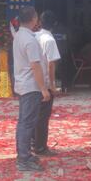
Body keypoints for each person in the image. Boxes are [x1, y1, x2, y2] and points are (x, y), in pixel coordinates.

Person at [12, 6, 51, 172]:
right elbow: (35, 66)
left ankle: (24, 154)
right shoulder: (30, 40)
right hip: (31, 86)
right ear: (34, 19)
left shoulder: (19, 35)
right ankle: (23, 158)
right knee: (27, 123)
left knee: (24, 122)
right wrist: (43, 88)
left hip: (24, 84)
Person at [34, 10, 61, 156]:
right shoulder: (49, 40)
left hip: (34, 81)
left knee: (35, 114)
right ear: (55, 24)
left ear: (40, 22)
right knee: (43, 117)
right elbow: (51, 64)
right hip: (44, 82)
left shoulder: (35, 36)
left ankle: (34, 143)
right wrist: (52, 85)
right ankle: (40, 147)